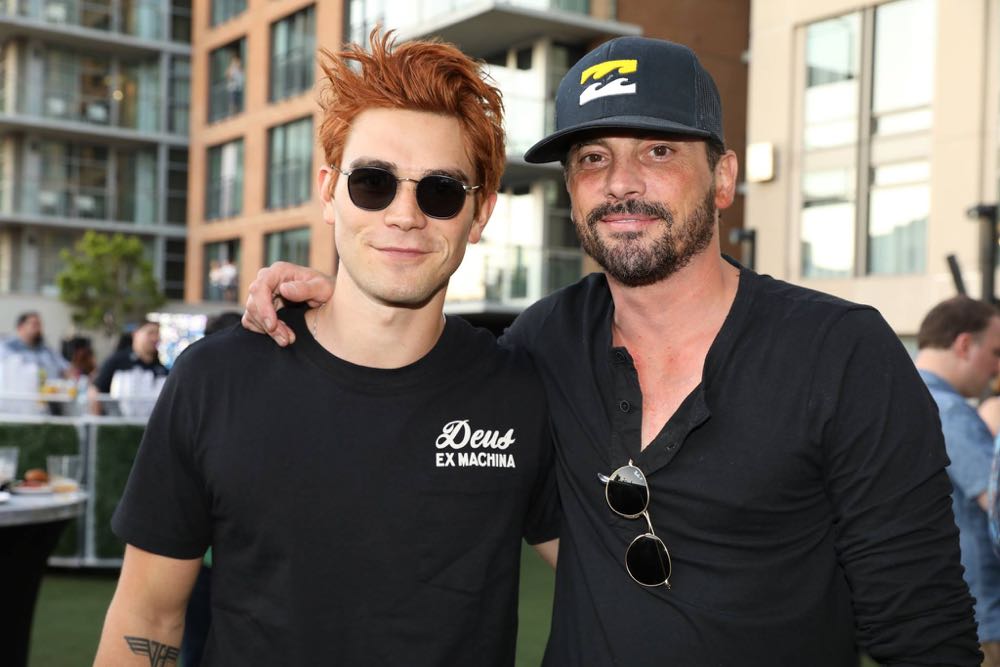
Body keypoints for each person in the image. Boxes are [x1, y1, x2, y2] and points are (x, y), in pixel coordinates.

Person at [244, 36, 981, 664]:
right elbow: (416, 366)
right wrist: (342, 298)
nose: (622, 183)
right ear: (571, 190)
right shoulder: (542, 344)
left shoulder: (842, 352)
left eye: (658, 150)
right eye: (593, 157)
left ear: (723, 178)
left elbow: (922, 628)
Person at [93, 31, 558, 666]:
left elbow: (622, 578)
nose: (405, 214)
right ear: (328, 192)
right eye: (373, 182)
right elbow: (147, 617)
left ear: (479, 216)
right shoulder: (215, 380)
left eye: (441, 191)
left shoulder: (520, 394)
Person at [915, 296, 1000, 665]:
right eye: (996, 352)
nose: (997, 367)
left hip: (926, 612)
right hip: (980, 617)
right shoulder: (948, 411)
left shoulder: (899, 399)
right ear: (964, 344)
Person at [88, 319, 168, 415]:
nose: (155, 338)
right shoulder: (118, 361)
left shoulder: (161, 369)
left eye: (157, 333)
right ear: (136, 334)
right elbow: (95, 390)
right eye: (150, 333)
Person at [0, 311, 69, 381]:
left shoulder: (47, 350)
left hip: (52, 386)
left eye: (40, 325)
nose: (38, 329)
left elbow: (66, 368)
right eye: (34, 325)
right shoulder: (8, 347)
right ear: (20, 327)